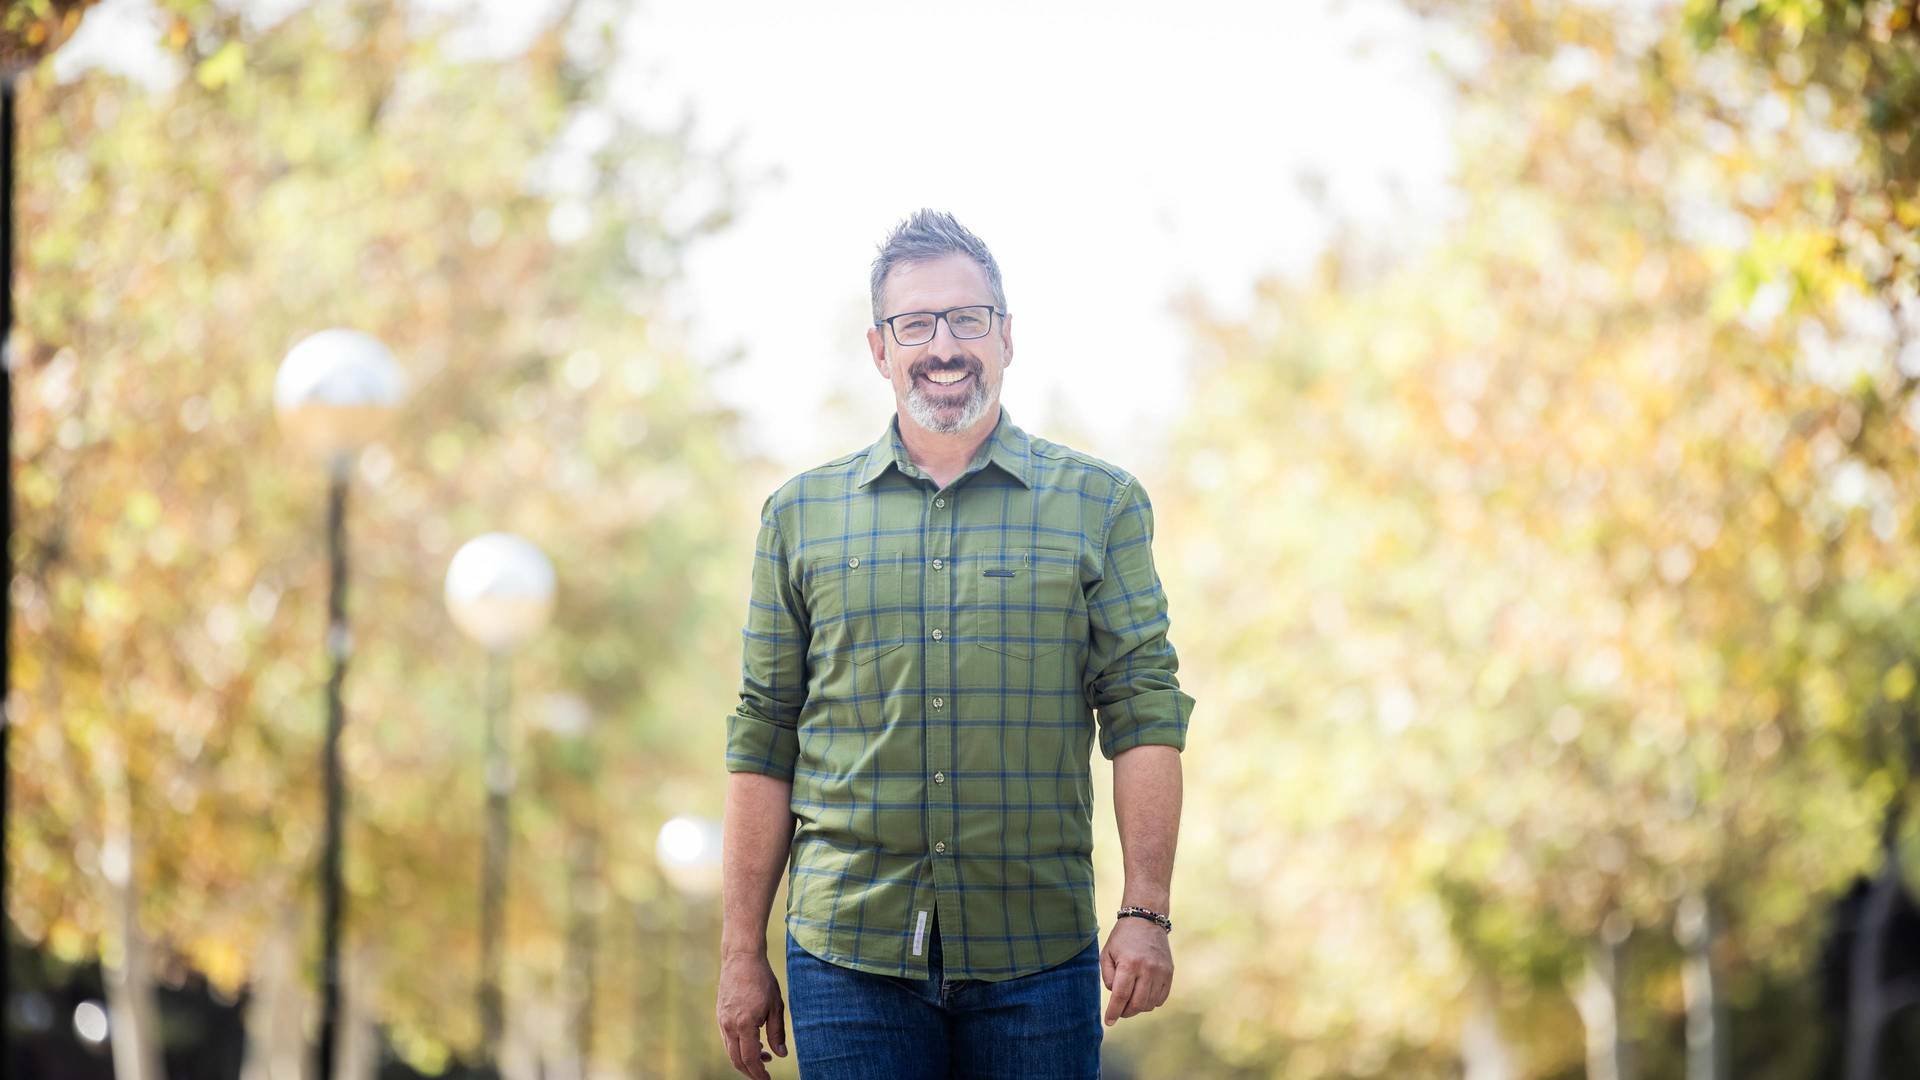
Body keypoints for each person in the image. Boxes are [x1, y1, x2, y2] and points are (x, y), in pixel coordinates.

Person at [715, 209, 1193, 1080]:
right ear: (878, 347)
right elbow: (765, 734)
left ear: (1006, 337)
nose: (943, 345)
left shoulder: (1102, 505)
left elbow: (1143, 711)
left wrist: (1146, 910)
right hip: (846, 954)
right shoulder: (799, 518)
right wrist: (740, 953)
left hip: (1038, 959)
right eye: (915, 324)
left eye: (967, 319)